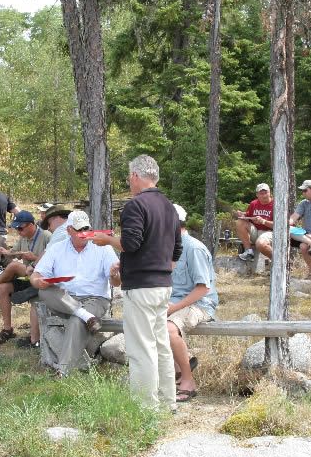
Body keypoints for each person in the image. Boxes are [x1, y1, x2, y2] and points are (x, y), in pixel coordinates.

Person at [93, 154, 182, 410]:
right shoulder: (169, 207)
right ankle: (168, 402)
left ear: (135, 176)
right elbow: (175, 252)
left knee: (141, 349)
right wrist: (149, 264)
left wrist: (107, 240)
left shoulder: (135, 206)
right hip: (163, 285)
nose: (128, 182)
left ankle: (146, 408)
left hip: (142, 288)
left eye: (128, 177)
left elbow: (131, 243)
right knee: (161, 345)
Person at [31, 210, 120, 371]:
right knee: (43, 291)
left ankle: (63, 371)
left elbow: (116, 282)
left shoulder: (103, 248)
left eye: (86, 228)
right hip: (65, 299)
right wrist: (38, 281)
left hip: (95, 299)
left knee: (76, 321)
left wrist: (115, 274)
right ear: (68, 230)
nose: (83, 233)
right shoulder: (57, 248)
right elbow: (36, 276)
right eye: (79, 229)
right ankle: (86, 316)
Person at [167, 204, 218, 403]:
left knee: (168, 329)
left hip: (200, 304)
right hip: (174, 302)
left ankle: (188, 380)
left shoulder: (194, 248)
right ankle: (179, 368)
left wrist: (173, 308)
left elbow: (203, 289)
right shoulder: (167, 247)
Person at [0, 210, 51, 345]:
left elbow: (54, 259)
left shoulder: (46, 236)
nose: (18, 231)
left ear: (31, 225)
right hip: (28, 276)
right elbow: (14, 253)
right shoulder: (23, 237)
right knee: (3, 287)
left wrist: (34, 258)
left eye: (20, 228)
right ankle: (7, 329)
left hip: (41, 275)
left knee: (13, 266)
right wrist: (4, 252)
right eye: (16, 228)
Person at [235, 183, 274, 261]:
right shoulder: (254, 204)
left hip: (271, 232)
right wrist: (242, 215)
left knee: (260, 244)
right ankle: (249, 251)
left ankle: (278, 261)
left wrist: (263, 221)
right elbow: (249, 217)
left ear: (270, 193)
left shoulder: (276, 204)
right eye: (261, 193)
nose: (264, 195)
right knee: (240, 222)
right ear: (257, 195)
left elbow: (279, 226)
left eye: (266, 192)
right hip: (256, 231)